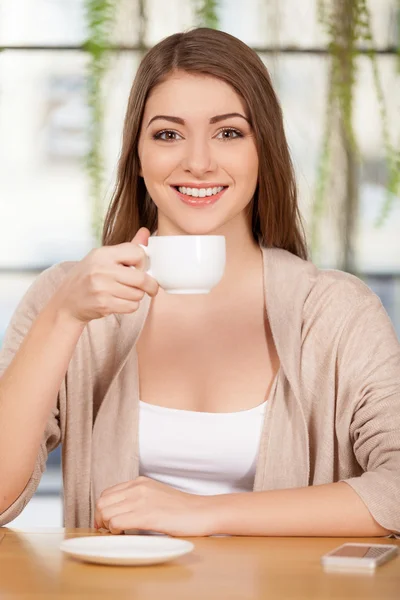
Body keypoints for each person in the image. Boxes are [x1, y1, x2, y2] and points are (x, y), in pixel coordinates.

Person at [0, 27, 399, 538]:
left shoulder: (336, 312)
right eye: (168, 134)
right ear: (138, 158)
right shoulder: (70, 297)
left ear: (264, 150)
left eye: (229, 132)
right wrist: (63, 317)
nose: (198, 161)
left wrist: (200, 514)